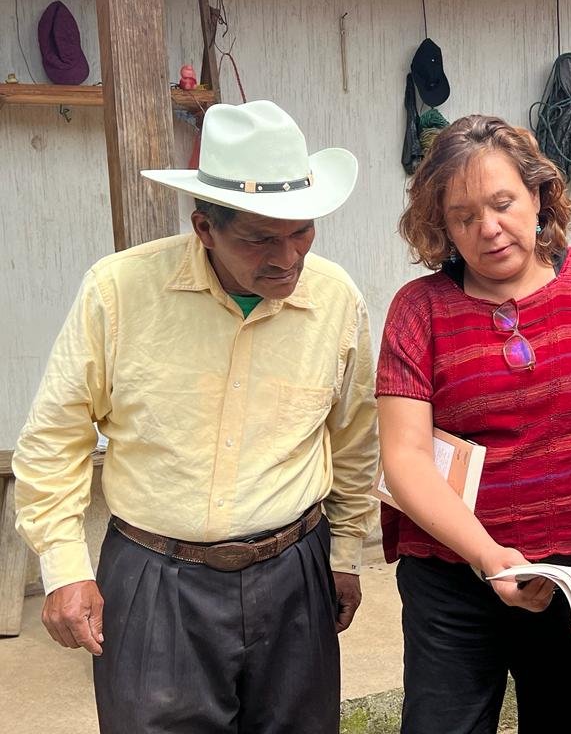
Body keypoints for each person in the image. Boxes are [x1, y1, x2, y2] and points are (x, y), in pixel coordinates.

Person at [13, 100, 378, 734]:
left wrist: (344, 552)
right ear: (204, 227)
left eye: (302, 231)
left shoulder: (336, 298)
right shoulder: (119, 292)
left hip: (295, 570)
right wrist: (65, 568)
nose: (288, 257)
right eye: (260, 238)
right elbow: (55, 439)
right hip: (156, 578)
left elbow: (353, 439)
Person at [375, 114, 571, 734]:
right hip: (453, 578)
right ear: (441, 226)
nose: (488, 228)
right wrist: (491, 559)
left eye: (503, 203)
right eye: (463, 216)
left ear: (540, 195)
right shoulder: (420, 311)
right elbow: (404, 457)